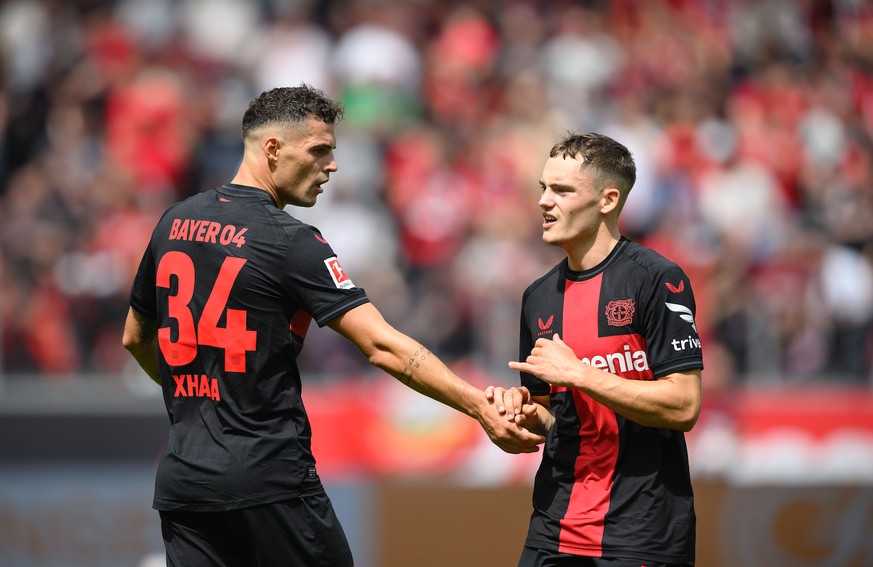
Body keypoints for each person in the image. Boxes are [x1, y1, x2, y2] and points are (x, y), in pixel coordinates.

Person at [121, 84, 544, 567]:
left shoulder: (174, 222)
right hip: (268, 479)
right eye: (319, 150)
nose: (333, 166)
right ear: (273, 149)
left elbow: (135, 337)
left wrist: (200, 396)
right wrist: (478, 406)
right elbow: (381, 345)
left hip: (185, 483)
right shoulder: (291, 241)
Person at [487, 132, 703, 567]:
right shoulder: (538, 298)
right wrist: (521, 418)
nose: (545, 202)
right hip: (553, 527)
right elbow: (555, 420)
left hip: (641, 534)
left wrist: (581, 373)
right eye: (543, 188)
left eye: (562, 190)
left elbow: (684, 405)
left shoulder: (657, 279)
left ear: (607, 200)